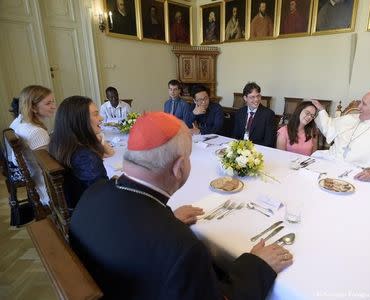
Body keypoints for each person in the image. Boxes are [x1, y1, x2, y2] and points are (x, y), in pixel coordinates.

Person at [69, 112, 293, 299]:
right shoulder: (182, 249)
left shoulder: (94, 192)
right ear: (179, 168)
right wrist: (257, 265)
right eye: (188, 157)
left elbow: (128, 229)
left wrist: (167, 220)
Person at [312, 90, 370, 182]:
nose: (358, 107)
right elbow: (329, 127)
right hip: (328, 162)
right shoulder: (351, 118)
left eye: (364, 104)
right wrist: (321, 110)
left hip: (355, 175)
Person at [49, 96, 110, 209]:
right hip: (89, 213)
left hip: (75, 205)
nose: (101, 118)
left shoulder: (59, 142)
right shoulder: (85, 157)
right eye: (96, 114)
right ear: (81, 121)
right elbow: (105, 198)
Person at [9, 85, 56, 205]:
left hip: (35, 183)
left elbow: (15, 160)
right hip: (47, 189)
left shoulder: (19, 123)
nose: (54, 106)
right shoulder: (37, 132)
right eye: (48, 103)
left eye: (53, 101)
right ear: (33, 107)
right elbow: (50, 167)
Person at [232, 82, 275, 147]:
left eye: (258, 96)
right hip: (240, 149)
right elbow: (235, 135)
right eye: (252, 97)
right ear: (245, 98)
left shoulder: (268, 114)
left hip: (258, 150)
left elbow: (268, 142)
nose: (256, 99)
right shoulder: (240, 112)